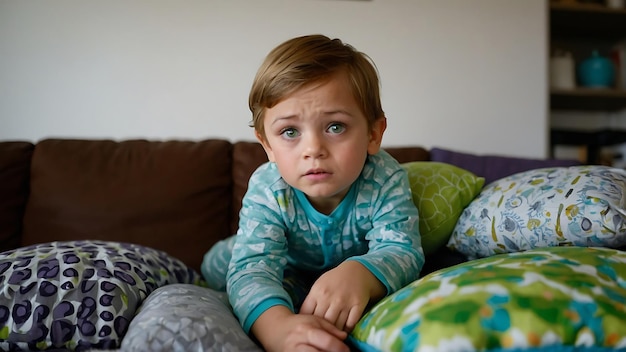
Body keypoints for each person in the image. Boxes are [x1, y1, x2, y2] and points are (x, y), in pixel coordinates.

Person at [202, 34, 424, 352]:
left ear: (373, 134)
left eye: (335, 126)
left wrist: (361, 272)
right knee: (221, 267)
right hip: (252, 256)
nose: (313, 150)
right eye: (290, 132)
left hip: (317, 274)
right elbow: (252, 269)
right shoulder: (269, 188)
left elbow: (402, 250)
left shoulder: (385, 178)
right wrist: (276, 328)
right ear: (267, 145)